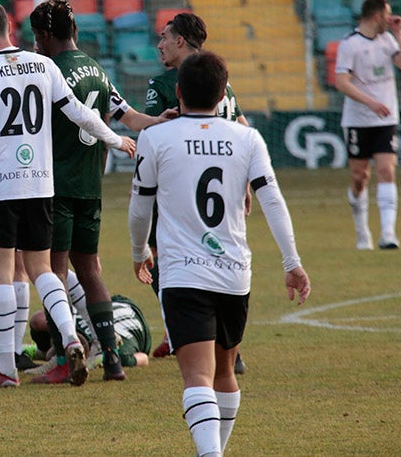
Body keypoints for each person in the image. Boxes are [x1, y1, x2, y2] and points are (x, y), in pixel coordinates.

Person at [130, 50, 311, 457]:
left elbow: (140, 204)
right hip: (234, 273)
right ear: (223, 94)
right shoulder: (247, 138)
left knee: (197, 376)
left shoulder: (155, 138)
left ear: (177, 93)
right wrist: (291, 261)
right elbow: (273, 200)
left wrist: (139, 250)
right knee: (225, 374)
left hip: (183, 273)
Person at [0, 1, 136, 388]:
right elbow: (81, 113)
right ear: (10, 28)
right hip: (40, 185)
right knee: (44, 270)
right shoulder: (45, 66)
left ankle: (5, 370)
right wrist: (116, 140)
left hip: (1, 185)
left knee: (0, 274)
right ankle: (69, 340)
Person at [28, 0, 171, 383]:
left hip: (54, 184)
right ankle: (110, 359)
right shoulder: (96, 69)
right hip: (91, 185)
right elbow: (129, 116)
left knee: (54, 271)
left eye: (35, 36)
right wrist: (158, 120)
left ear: (43, 35)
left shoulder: (46, 71)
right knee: (89, 270)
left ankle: (62, 358)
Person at [144, 12, 250, 369]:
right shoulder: (222, 79)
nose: (159, 44)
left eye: (164, 37)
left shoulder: (163, 84)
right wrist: (245, 179)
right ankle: (225, 345)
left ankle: (183, 332)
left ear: (180, 42)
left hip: (178, 188)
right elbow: (242, 125)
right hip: (221, 189)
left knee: (166, 256)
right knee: (217, 255)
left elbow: (152, 135)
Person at [334, 0, 401, 251]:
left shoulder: (387, 39)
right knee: (360, 177)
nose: (390, 18)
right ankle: (362, 233)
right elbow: (341, 82)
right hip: (358, 120)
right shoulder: (350, 44)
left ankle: (388, 234)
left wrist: (399, 33)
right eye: (388, 14)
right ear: (377, 15)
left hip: (386, 119)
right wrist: (370, 102)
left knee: (386, 171)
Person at [28, 291, 152, 368]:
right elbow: (38, 320)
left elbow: (144, 358)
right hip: (111, 305)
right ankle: (41, 350)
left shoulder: (118, 353)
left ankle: (41, 351)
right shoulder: (73, 325)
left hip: (130, 313)